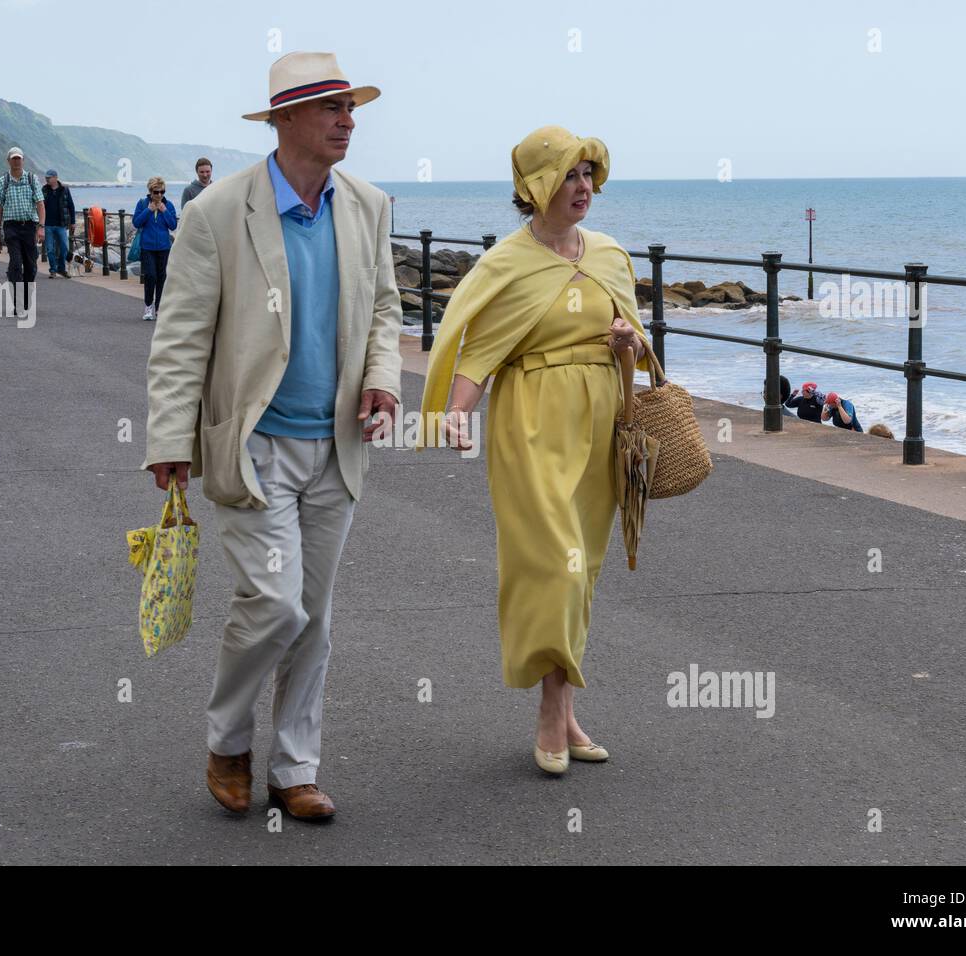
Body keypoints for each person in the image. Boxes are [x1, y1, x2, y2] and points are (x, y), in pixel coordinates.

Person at [143, 51, 401, 821]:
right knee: (278, 605)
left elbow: (385, 307)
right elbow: (182, 333)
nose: (347, 120)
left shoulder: (369, 204)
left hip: (338, 445)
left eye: (351, 107)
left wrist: (382, 375)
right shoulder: (216, 212)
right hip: (253, 445)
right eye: (330, 107)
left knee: (314, 618)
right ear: (284, 119)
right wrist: (169, 438)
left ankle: (295, 769)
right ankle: (227, 738)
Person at [420, 126, 654, 776]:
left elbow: (640, 339)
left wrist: (626, 345)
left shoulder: (607, 255)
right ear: (536, 189)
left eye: (588, 175)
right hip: (530, 426)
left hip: (600, 424)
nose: (583, 189)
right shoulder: (508, 264)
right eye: (569, 177)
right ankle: (554, 712)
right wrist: (456, 416)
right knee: (552, 563)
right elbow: (481, 350)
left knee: (583, 569)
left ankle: (564, 708)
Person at [0, 146, 45, 316]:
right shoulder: (2, 182)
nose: (16, 161)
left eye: (18, 158)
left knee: (31, 266)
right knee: (15, 264)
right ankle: (18, 302)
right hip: (11, 227)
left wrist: (41, 227)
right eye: (13, 158)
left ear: (23, 160)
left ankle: (27, 299)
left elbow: (40, 204)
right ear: (8, 161)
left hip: (29, 226)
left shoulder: (31, 179)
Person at [131, 176, 177, 320]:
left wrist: (164, 211)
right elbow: (136, 223)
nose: (159, 195)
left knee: (162, 278)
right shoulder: (143, 204)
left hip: (164, 247)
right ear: (150, 191)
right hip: (147, 247)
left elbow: (173, 225)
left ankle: (159, 308)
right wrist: (148, 210)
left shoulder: (168, 205)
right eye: (156, 192)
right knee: (150, 276)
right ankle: (148, 307)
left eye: (161, 192)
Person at [41, 168, 75, 278]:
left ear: (55, 178)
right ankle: (53, 270)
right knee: (50, 249)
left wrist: (73, 222)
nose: (47, 180)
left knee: (64, 248)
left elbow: (71, 205)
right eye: (46, 178)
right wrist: (39, 224)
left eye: (49, 178)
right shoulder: (44, 190)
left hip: (61, 224)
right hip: (47, 224)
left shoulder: (64, 189)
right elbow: (39, 206)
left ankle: (61, 268)